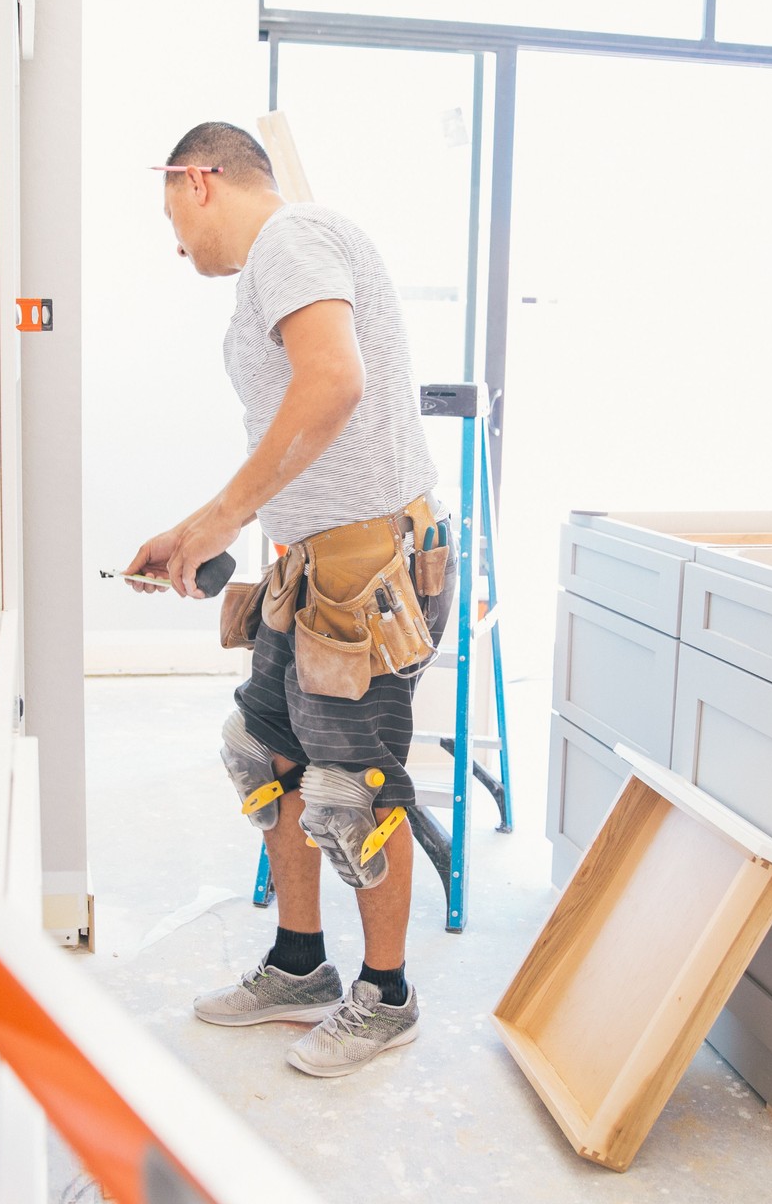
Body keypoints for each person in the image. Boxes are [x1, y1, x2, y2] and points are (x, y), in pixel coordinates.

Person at [123, 121, 454, 1078]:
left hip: (369, 572)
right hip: (308, 564)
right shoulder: (282, 257)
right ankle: (300, 963)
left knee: (353, 793)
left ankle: (386, 997)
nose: (176, 242)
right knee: (263, 751)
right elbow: (294, 425)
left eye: (172, 216)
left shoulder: (291, 239)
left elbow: (335, 382)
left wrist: (219, 521)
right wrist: (201, 528)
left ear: (200, 181)